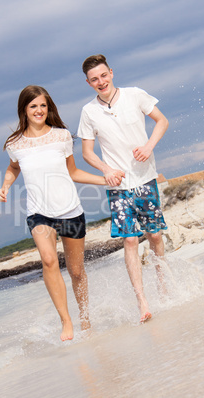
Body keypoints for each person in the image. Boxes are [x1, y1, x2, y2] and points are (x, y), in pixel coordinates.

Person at [0, 85, 121, 341]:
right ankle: (66, 322)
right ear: (24, 110)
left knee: (76, 272)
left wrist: (106, 178)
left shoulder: (62, 136)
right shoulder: (15, 143)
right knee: (49, 260)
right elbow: (13, 167)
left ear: (49, 107)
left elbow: (73, 173)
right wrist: (6, 185)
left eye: (43, 105)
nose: (39, 110)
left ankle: (85, 317)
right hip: (39, 213)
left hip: (70, 211)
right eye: (33, 106)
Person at [77, 54, 169, 323]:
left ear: (111, 73)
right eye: (94, 79)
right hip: (118, 187)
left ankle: (163, 285)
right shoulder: (88, 112)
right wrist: (106, 170)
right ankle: (142, 301)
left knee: (154, 236)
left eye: (104, 76)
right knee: (130, 240)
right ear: (88, 83)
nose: (100, 82)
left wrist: (149, 146)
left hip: (145, 178)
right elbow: (87, 153)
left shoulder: (135, 95)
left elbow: (161, 121)